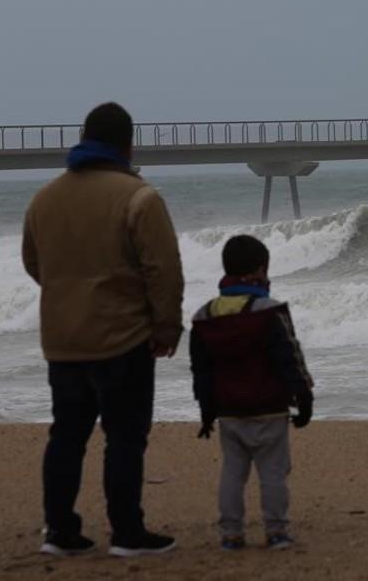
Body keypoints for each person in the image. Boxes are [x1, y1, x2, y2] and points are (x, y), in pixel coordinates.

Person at [22, 102, 184, 558]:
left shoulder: (44, 198)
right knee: (125, 438)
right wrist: (166, 325)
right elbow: (164, 271)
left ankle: (59, 532)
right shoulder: (139, 198)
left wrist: (68, 298)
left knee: (66, 437)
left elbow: (34, 264)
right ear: (127, 144)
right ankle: (127, 533)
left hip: (63, 340)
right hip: (123, 338)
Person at [190, 234, 314, 551]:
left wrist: (206, 412)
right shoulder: (270, 312)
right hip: (270, 407)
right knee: (273, 473)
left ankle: (231, 533)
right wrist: (304, 395)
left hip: (228, 410)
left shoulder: (205, 316)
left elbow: (201, 371)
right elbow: (290, 357)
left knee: (233, 473)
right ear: (260, 271)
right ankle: (276, 532)